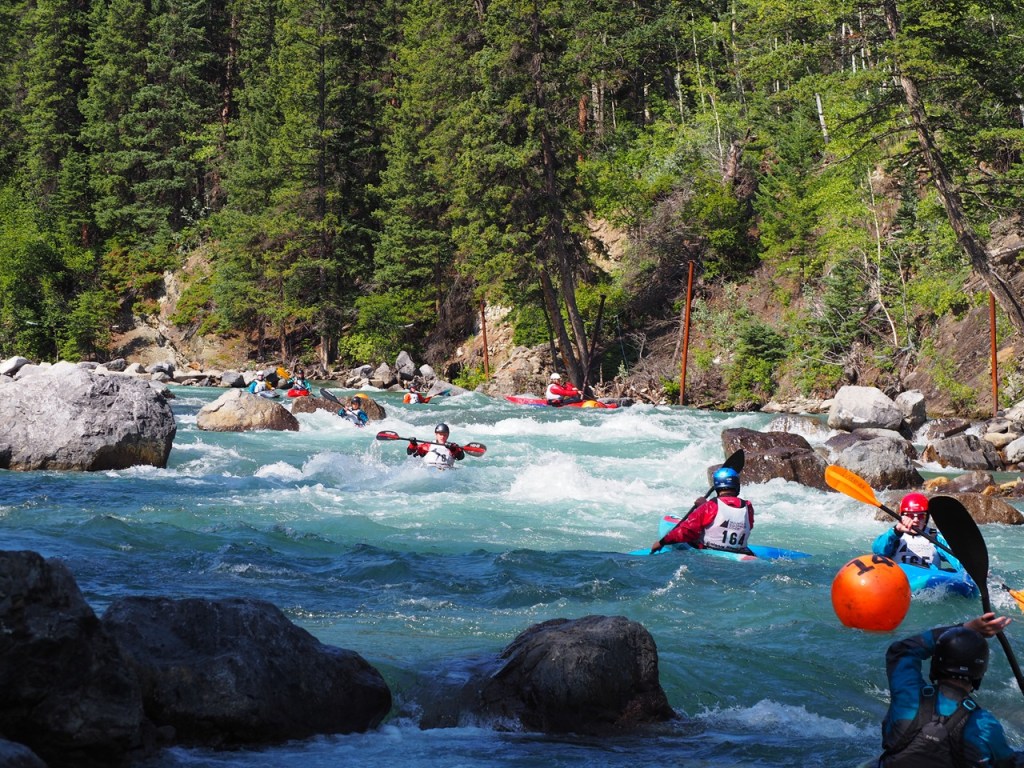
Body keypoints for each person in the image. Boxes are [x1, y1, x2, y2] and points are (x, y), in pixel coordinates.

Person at [876, 611, 1023, 767]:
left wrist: (969, 627)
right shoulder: (984, 724)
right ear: (979, 672)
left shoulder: (908, 696)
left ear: (936, 664)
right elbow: (1008, 764)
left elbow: (902, 650)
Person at [649, 466, 754, 554]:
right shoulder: (748, 506)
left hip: (709, 553)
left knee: (678, 539)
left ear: (717, 486)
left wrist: (662, 542)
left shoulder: (710, 506)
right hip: (738, 551)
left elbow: (687, 531)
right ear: (736, 485)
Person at [873, 493, 964, 571]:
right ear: (902, 516)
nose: (916, 520)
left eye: (921, 516)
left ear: (927, 518)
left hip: (929, 583)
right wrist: (896, 531)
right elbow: (878, 551)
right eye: (910, 515)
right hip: (900, 581)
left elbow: (959, 562)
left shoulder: (935, 537)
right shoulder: (894, 536)